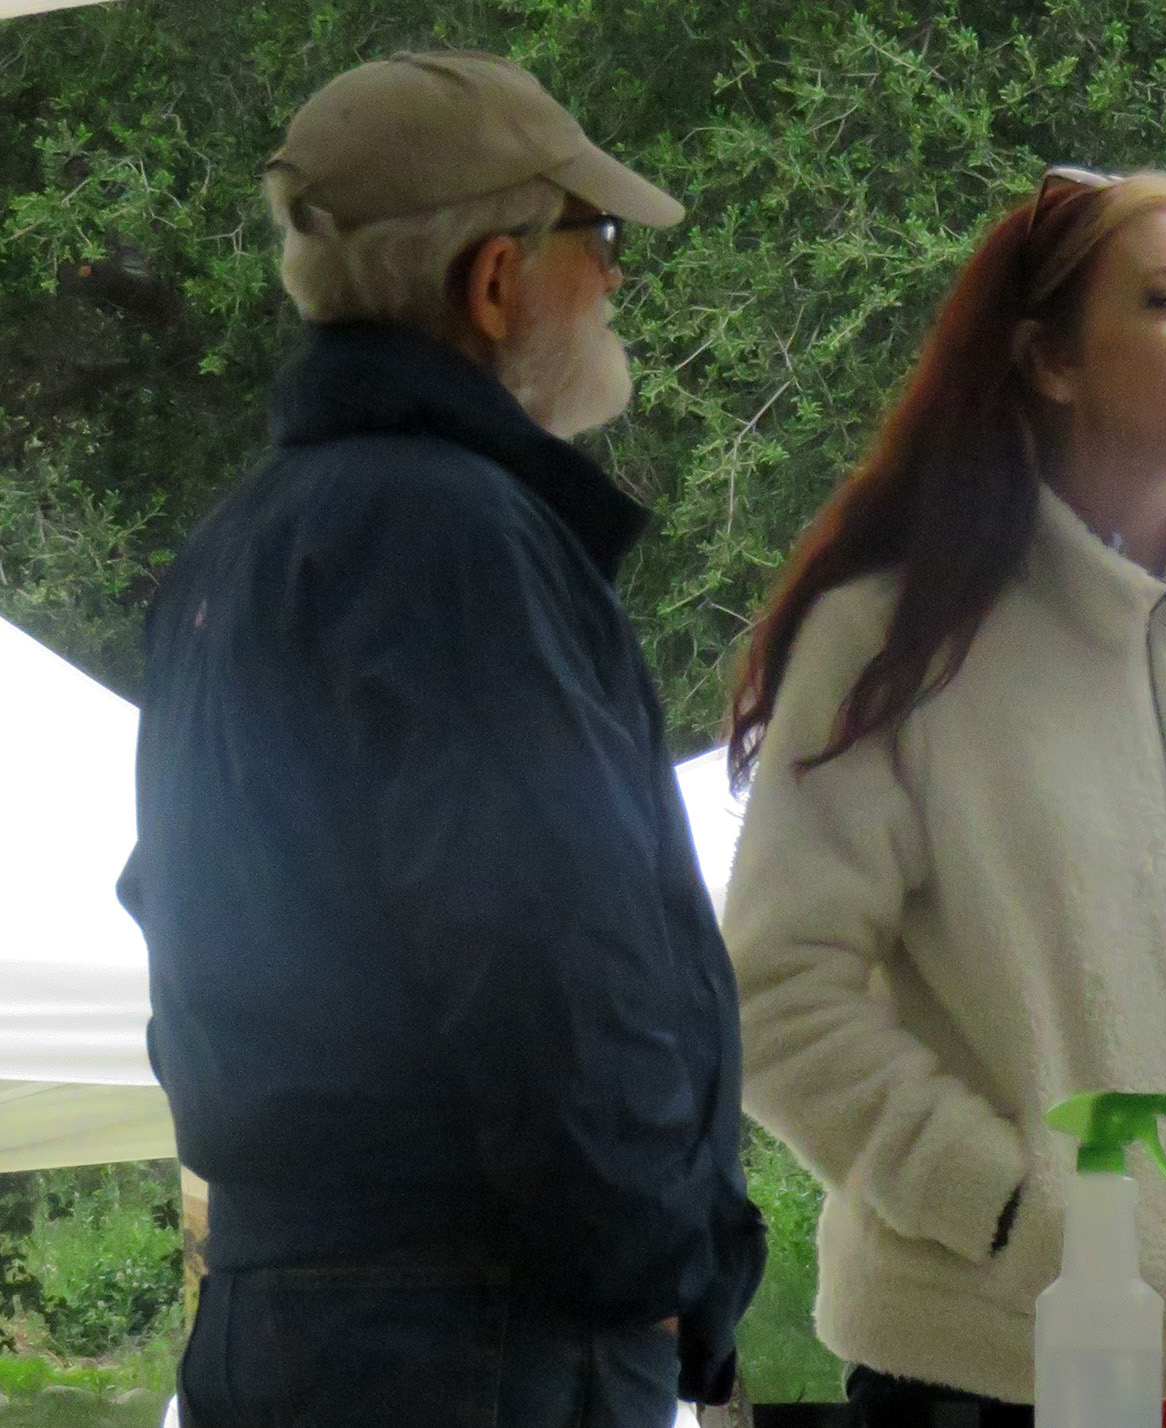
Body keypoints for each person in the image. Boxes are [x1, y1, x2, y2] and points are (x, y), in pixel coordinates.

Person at [722, 166, 1166, 1424]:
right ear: (1048, 360)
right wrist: (1002, 1205)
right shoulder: (893, 643)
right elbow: (773, 995)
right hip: (992, 1374)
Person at [118, 52, 763, 1428]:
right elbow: (546, 949)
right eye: (597, 240)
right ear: (495, 280)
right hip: (467, 1329)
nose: (616, 280)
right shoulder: (454, 538)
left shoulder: (239, 546)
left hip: (293, 1310)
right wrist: (652, 1268)